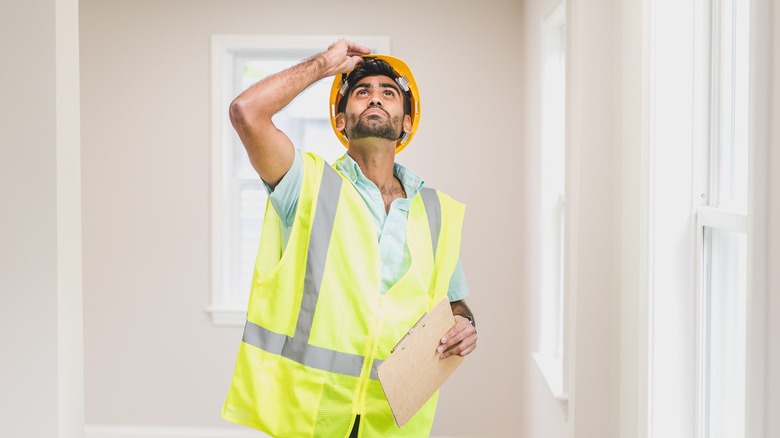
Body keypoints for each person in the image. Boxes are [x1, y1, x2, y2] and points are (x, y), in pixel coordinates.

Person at [222, 39, 477, 438]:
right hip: (311, 419)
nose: (375, 98)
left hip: (393, 423)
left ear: (406, 123)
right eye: (362, 92)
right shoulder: (306, 185)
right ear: (340, 121)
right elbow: (246, 112)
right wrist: (324, 64)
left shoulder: (438, 211)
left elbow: (456, 304)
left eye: (388, 93)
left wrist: (464, 324)